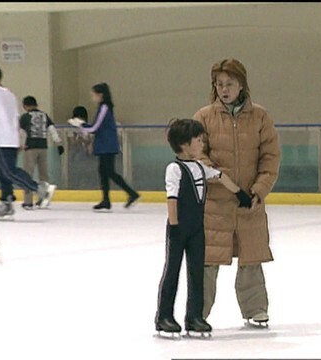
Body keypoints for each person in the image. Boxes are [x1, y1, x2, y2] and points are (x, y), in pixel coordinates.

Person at [193, 58, 281, 326]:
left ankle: (255, 309)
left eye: (229, 83)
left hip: (249, 203)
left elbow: (270, 158)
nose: (224, 89)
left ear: (242, 84)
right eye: (219, 84)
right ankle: (198, 311)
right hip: (215, 204)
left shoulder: (260, 116)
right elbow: (198, 155)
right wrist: (221, 180)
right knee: (208, 260)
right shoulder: (204, 117)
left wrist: (258, 190)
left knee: (251, 256)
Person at [155, 118, 253, 337]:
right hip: (179, 228)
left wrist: (239, 193)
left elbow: (219, 176)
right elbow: (172, 198)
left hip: (197, 229)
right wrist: (174, 224)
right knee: (172, 271)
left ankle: (194, 316)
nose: (202, 143)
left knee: (196, 271)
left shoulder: (200, 167)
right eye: (198, 140)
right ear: (185, 144)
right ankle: (164, 316)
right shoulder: (175, 168)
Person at [0, 64, 56, 220]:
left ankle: (39, 188)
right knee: (1, 171)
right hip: (11, 138)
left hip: (1, 139)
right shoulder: (9, 94)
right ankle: (6, 201)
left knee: (9, 171)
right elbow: (15, 119)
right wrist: (18, 140)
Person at [68, 83, 140, 211]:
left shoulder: (104, 107)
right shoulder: (103, 107)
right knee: (103, 171)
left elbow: (96, 127)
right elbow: (96, 126)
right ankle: (106, 199)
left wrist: (82, 126)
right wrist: (84, 127)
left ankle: (131, 193)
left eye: (94, 95)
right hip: (104, 144)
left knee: (109, 171)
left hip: (107, 144)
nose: (92, 97)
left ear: (100, 95)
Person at [19, 96, 65, 210]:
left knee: (27, 175)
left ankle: (28, 201)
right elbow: (52, 129)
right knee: (44, 175)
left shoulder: (25, 117)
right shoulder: (44, 116)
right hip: (43, 148)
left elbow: (21, 132)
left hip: (30, 148)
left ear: (25, 106)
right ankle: (43, 200)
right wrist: (58, 143)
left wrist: (20, 144)